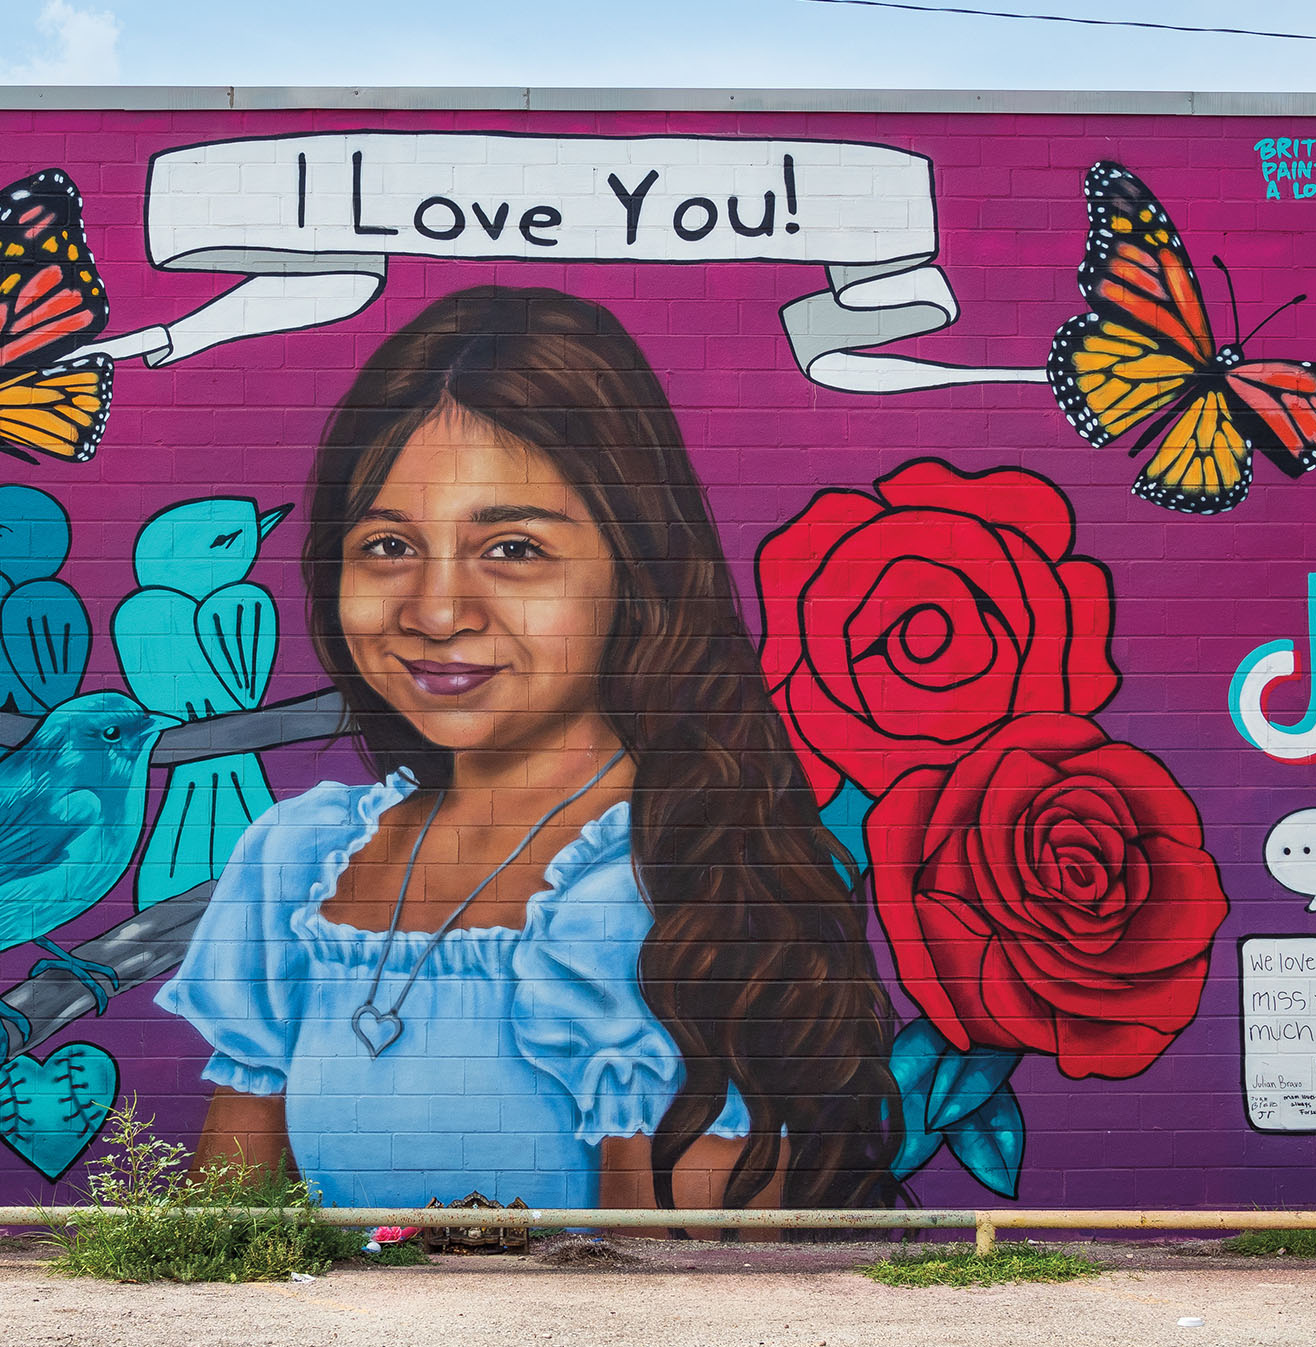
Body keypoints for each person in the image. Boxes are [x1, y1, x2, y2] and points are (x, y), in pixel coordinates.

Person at [155, 286, 903, 1213]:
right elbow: (226, 1222)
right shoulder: (294, 862)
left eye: (511, 548)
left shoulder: (672, 879)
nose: (435, 612)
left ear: (636, 569)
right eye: (387, 544)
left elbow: (684, 1293)